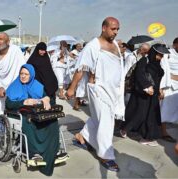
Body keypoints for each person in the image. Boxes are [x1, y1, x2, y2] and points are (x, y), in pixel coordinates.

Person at [66, 17, 123, 172]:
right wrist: (71, 89)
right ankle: (105, 154)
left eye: (117, 29)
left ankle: (82, 136)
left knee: (101, 118)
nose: (116, 32)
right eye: (113, 29)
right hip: (98, 88)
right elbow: (81, 68)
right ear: (104, 28)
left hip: (113, 90)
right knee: (106, 122)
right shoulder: (93, 46)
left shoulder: (116, 44)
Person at [6, 64, 59, 176]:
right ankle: (34, 153)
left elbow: (51, 100)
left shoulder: (37, 85)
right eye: (21, 73)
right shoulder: (14, 86)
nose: (23, 76)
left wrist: (46, 98)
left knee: (53, 121)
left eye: (26, 74)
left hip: (36, 114)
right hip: (20, 114)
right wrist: (23, 102)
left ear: (32, 75)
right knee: (28, 121)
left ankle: (53, 150)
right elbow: (8, 103)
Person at [120, 44, 170, 147]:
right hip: (142, 93)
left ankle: (147, 137)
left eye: (162, 55)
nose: (161, 57)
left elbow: (157, 78)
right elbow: (140, 74)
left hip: (153, 94)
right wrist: (147, 87)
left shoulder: (157, 64)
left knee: (151, 116)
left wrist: (160, 89)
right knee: (139, 113)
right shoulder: (144, 61)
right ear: (153, 52)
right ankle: (124, 129)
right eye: (159, 54)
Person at [0, 33, 25, 121]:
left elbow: (22, 67)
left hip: (13, 88)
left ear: (8, 42)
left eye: (1, 39)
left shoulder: (15, 51)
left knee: (13, 116)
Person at [159, 37, 178, 143]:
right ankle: (163, 132)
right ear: (175, 44)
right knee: (165, 109)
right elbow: (163, 70)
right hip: (169, 86)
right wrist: (161, 88)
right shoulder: (167, 54)